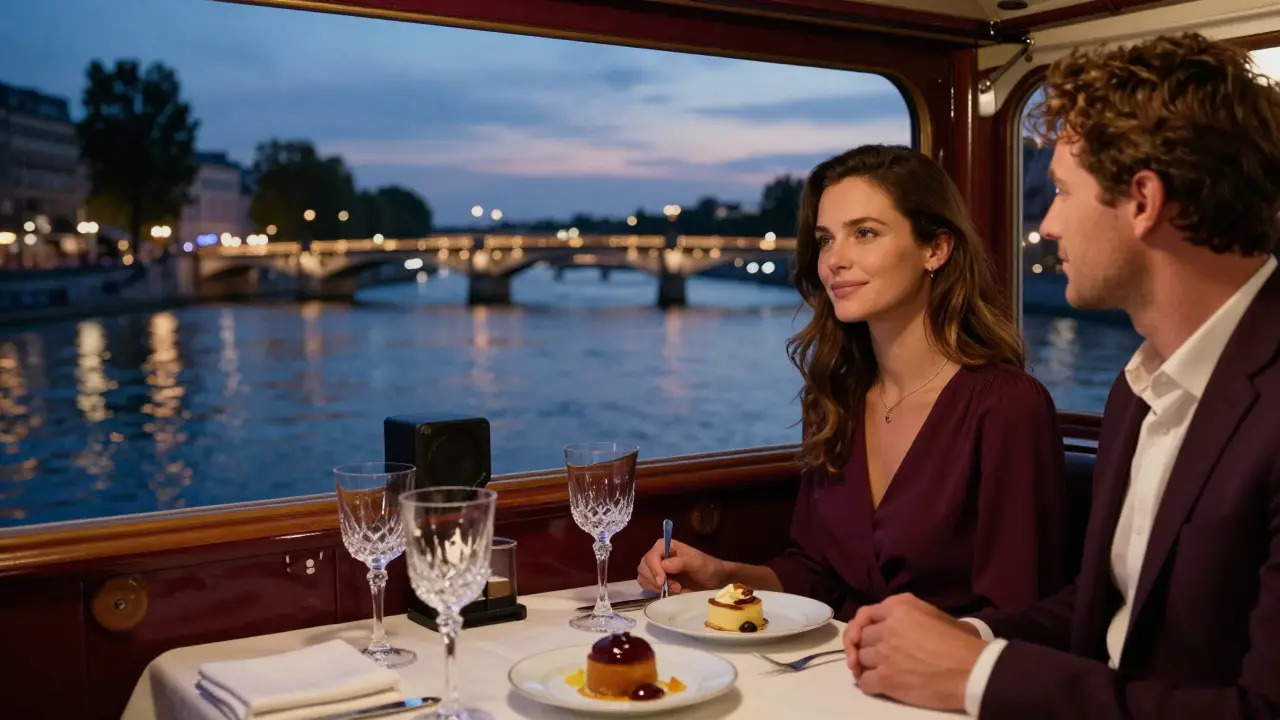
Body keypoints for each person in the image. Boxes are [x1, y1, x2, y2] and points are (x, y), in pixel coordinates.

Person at [842, 32, 1280, 719]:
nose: (1045, 226)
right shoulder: (1141, 387)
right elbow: (1106, 610)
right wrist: (967, 637)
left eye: (1061, 192)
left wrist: (981, 675)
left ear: (1143, 201)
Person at [636, 144, 1068, 621]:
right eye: (825, 239)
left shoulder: (1006, 407)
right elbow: (813, 575)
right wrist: (722, 578)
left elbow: (1023, 616)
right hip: (834, 676)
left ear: (936, 249)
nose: (834, 261)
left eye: (864, 233)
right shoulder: (834, 400)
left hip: (941, 688)